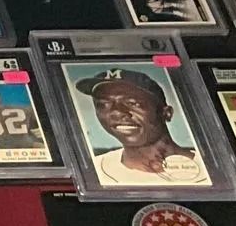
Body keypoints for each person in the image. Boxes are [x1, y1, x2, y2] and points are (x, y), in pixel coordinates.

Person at [75, 68, 209, 186]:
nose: (116, 112)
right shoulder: (91, 171)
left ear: (166, 113)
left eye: (133, 103)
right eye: (103, 105)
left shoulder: (210, 168)